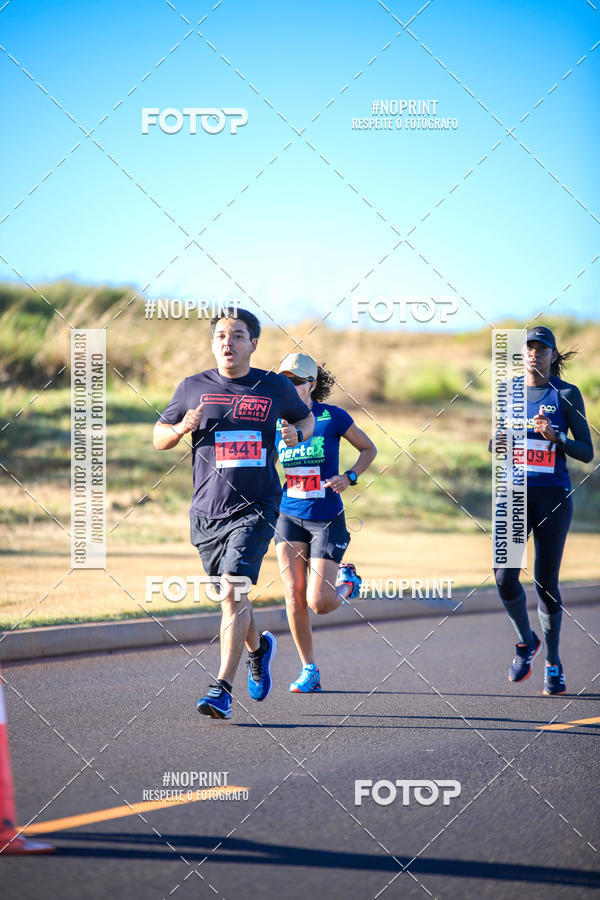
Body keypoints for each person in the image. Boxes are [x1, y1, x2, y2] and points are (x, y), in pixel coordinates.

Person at [153, 308, 314, 719]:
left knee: (231, 590)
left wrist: (298, 432)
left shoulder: (274, 385)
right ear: (213, 343)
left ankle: (220, 687)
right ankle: (259, 649)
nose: (229, 342)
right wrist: (179, 429)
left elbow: (305, 419)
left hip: (258, 505)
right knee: (233, 595)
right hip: (206, 511)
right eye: (221, 335)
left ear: (253, 344)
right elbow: (159, 437)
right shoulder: (192, 387)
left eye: (238, 335)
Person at [493, 326, 593, 695]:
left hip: (552, 497)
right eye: (529, 347)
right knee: (504, 577)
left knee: (545, 584)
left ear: (553, 355)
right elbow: (499, 440)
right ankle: (525, 642)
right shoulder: (508, 391)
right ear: (522, 353)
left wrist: (557, 438)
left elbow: (586, 451)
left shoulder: (566, 394)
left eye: (542, 348)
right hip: (513, 494)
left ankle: (553, 661)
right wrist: (496, 442)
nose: (534, 353)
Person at [273, 353, 377, 693]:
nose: (288, 387)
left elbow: (368, 449)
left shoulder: (332, 417)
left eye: (295, 381)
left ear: (312, 385)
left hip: (326, 518)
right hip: (288, 513)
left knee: (320, 603)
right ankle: (309, 670)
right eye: (283, 381)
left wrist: (349, 476)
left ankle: (347, 582)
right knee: (293, 593)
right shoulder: (275, 420)